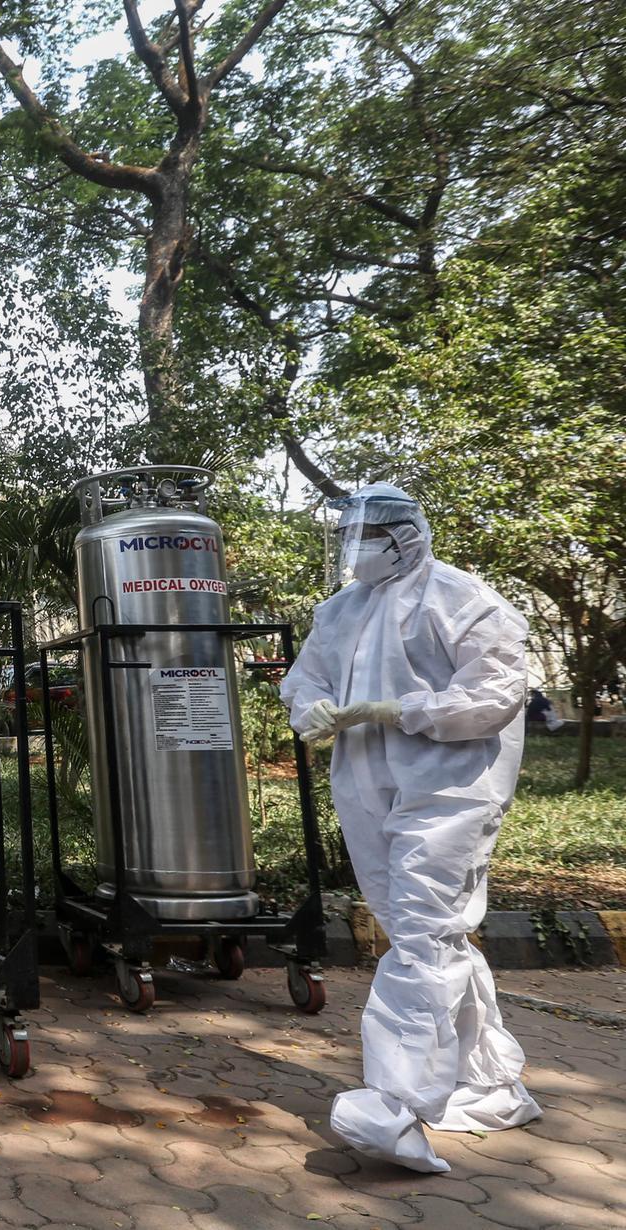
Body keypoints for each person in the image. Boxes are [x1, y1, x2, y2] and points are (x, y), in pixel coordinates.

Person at [280, 483, 541, 1173]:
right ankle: (487, 1083)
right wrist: (309, 709)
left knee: (422, 932)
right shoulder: (341, 610)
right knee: (424, 930)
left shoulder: (463, 600)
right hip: (368, 789)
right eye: (350, 534)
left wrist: (398, 709)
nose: (357, 546)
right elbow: (306, 677)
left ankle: (393, 1106)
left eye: (371, 534)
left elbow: (494, 694)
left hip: (449, 788)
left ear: (408, 535)